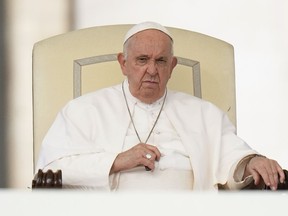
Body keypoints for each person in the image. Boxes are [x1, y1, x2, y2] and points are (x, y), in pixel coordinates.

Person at [36, 21, 285, 191]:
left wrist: (252, 162)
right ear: (123, 63)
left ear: (173, 66)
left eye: (161, 61)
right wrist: (117, 160)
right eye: (142, 60)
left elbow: (233, 157)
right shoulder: (83, 110)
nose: (152, 70)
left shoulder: (204, 113)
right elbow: (50, 170)